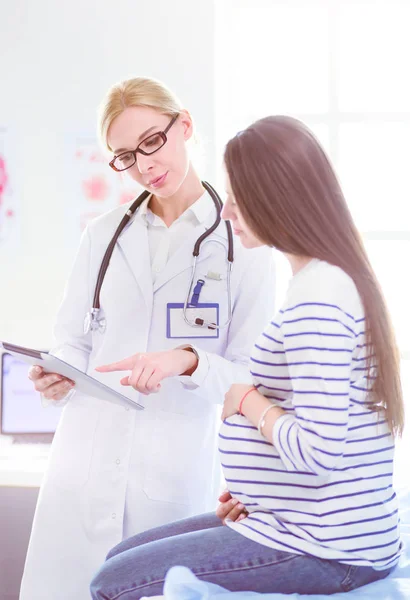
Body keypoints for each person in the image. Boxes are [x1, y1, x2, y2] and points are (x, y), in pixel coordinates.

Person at [90, 115, 404, 598]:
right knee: (117, 560)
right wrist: (261, 496)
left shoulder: (319, 299)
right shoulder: (326, 280)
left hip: (327, 549)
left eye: (238, 197)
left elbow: (320, 454)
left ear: (275, 198)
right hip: (304, 524)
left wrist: (248, 398)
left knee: (111, 583)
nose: (229, 211)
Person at [20, 78, 275, 600]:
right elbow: (72, 340)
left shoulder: (244, 239)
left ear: (184, 125)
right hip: (84, 466)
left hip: (177, 466)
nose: (142, 165)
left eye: (152, 143)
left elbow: (254, 377)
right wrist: (57, 375)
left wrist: (187, 361)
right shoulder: (104, 234)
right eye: (124, 156)